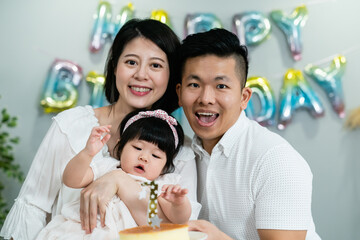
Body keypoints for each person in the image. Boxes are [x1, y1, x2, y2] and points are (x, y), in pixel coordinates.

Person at [0, 19, 200, 240]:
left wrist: (118, 180)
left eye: (156, 65)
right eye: (131, 62)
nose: (141, 75)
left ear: (171, 75)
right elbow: (34, 204)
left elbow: (169, 231)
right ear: (115, 67)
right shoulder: (72, 125)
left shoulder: (177, 149)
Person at [176, 28, 321, 240]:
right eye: (194, 85)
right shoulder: (181, 154)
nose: (206, 98)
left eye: (221, 86)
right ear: (179, 93)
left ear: (244, 97)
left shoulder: (275, 160)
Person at [36, 109, 191, 239]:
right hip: (78, 231)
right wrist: (87, 154)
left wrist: (179, 203)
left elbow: (176, 221)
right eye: (137, 147)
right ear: (120, 146)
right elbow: (71, 180)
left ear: (165, 167)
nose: (144, 157)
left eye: (155, 156)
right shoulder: (108, 167)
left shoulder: (158, 187)